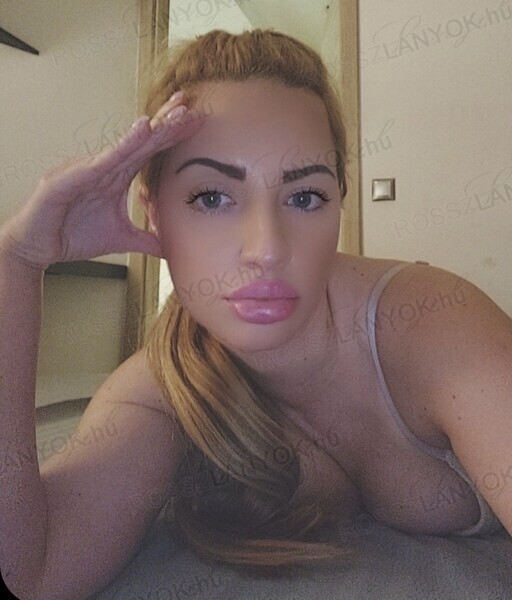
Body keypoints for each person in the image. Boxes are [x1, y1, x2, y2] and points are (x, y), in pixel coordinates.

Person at [0, 28, 510, 600]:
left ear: (339, 202)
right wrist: (15, 261)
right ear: (153, 212)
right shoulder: (165, 387)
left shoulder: (431, 324)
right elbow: (28, 574)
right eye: (212, 197)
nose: (266, 248)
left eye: (304, 197)